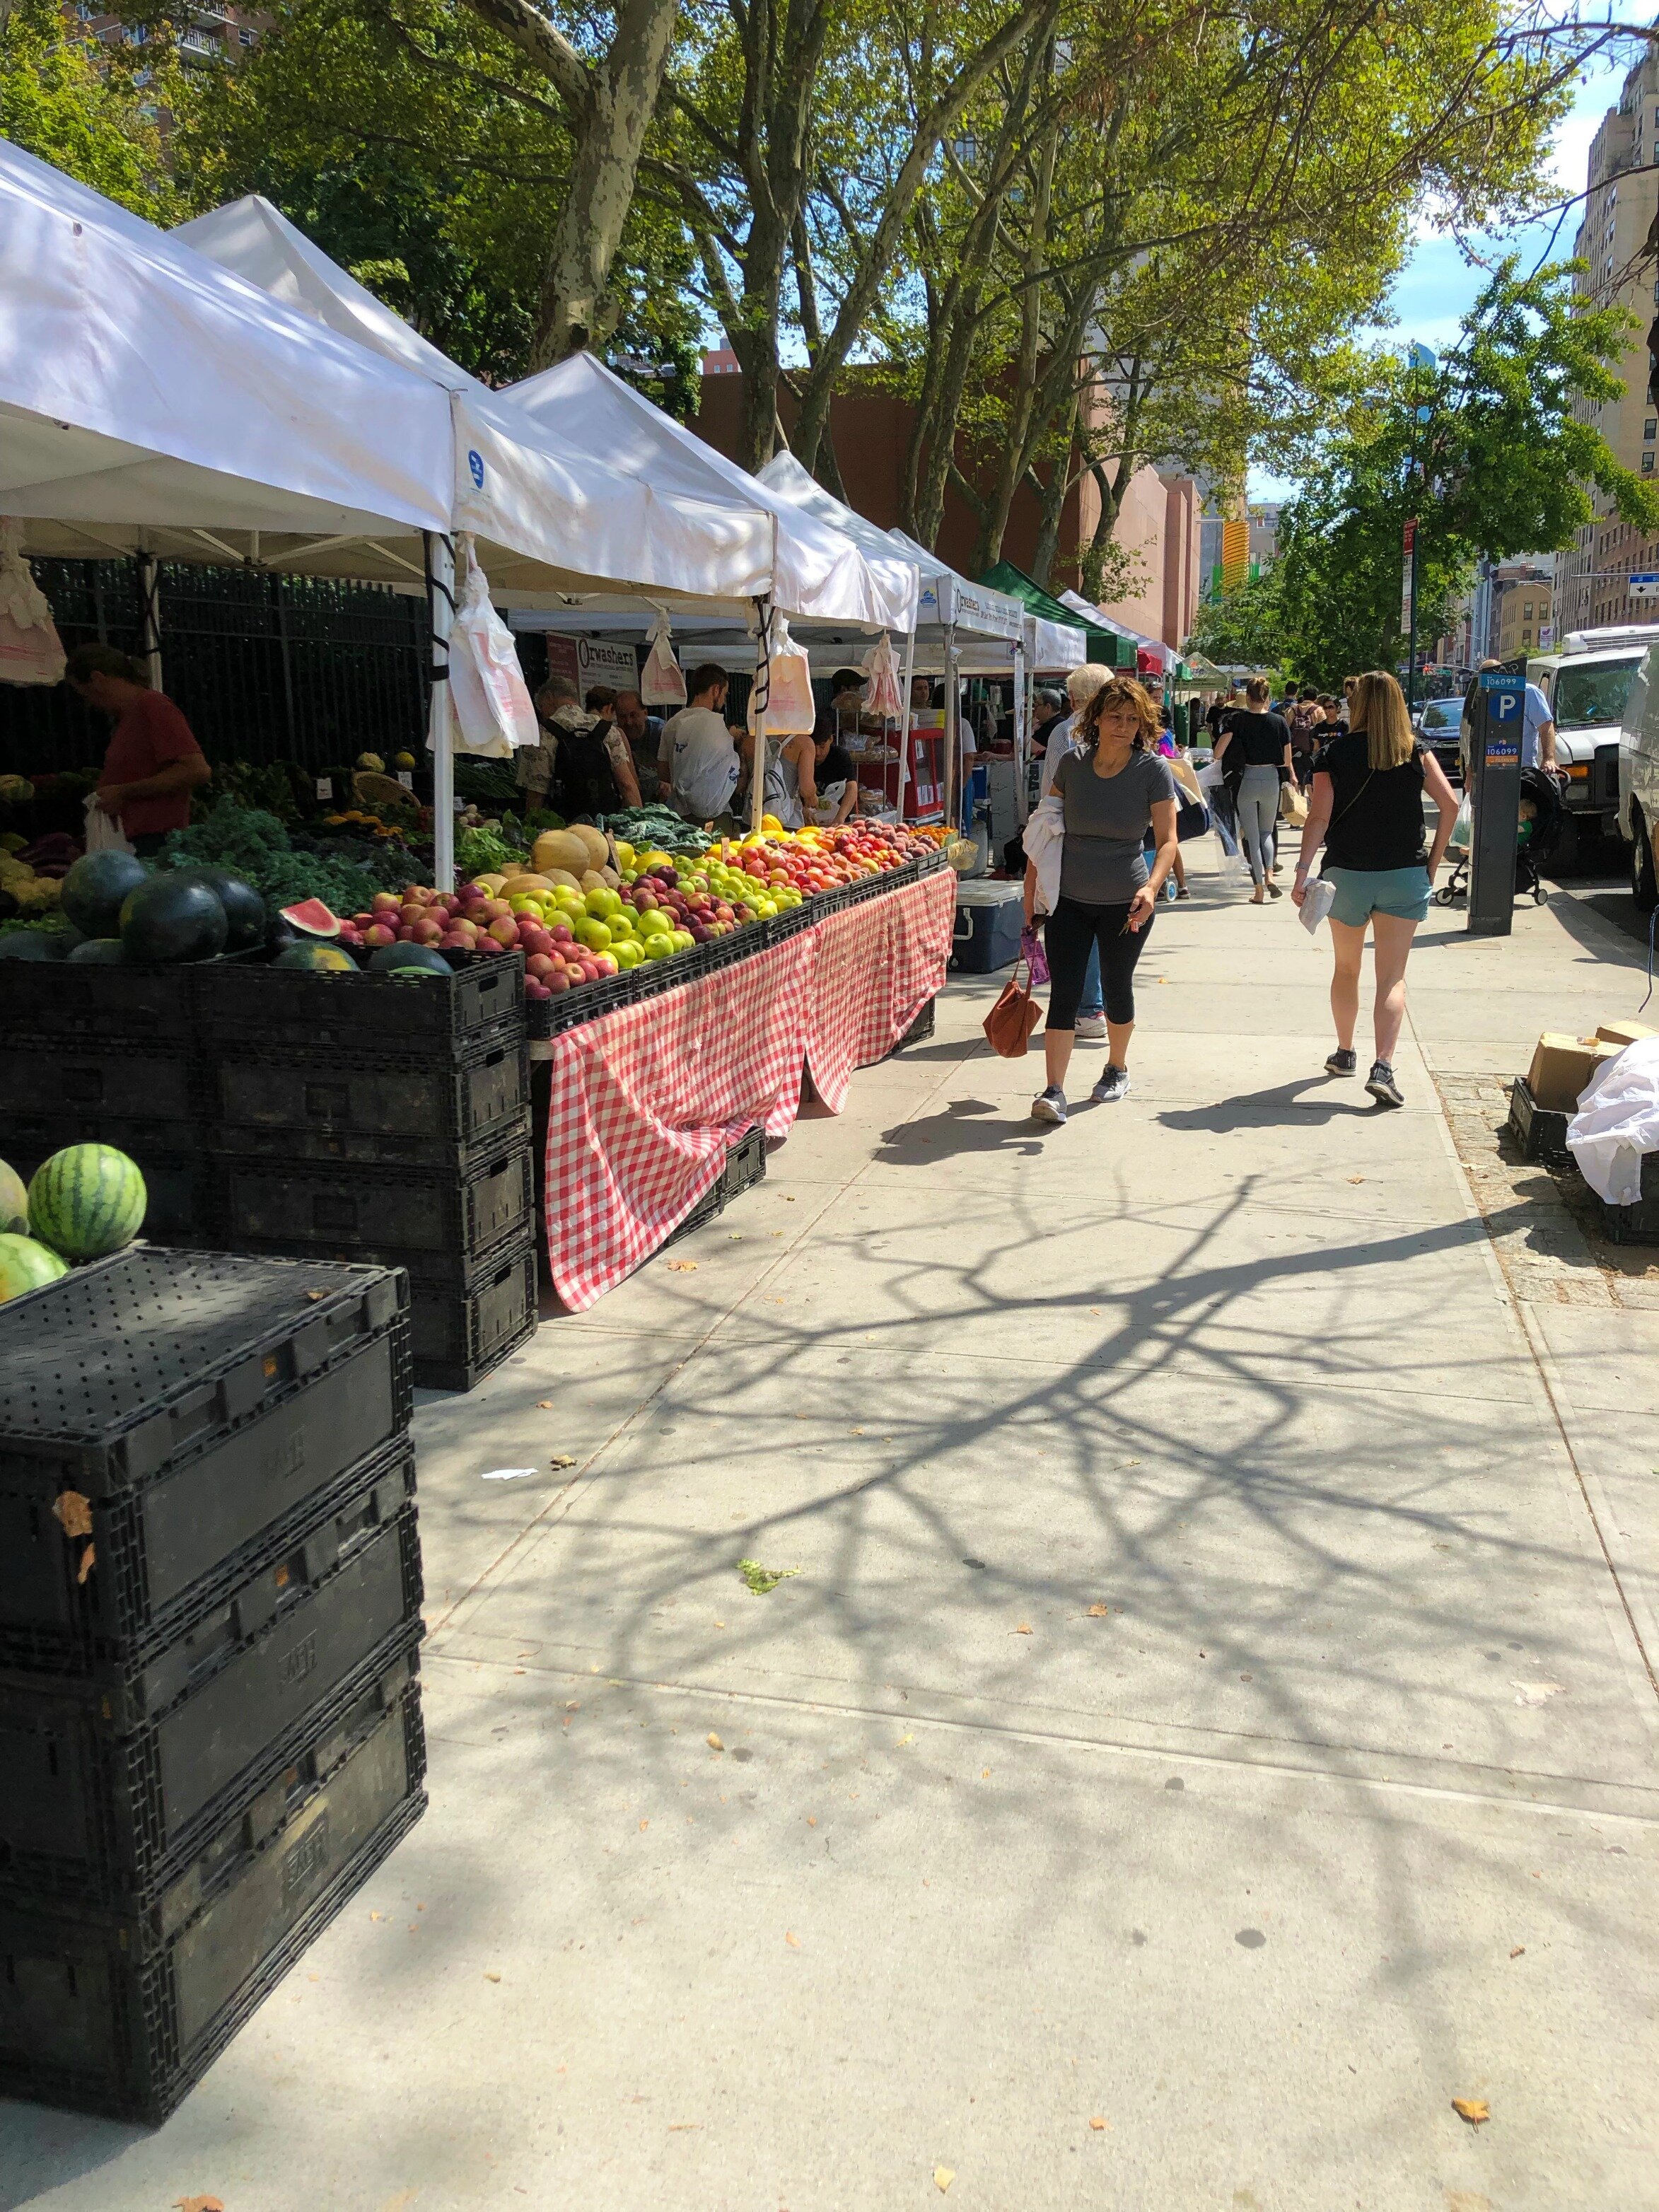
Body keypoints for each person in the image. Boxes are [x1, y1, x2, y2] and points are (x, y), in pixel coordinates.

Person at [1291, 668, 1457, 1108]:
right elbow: (1451, 804)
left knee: (1346, 969)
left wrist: (1303, 871)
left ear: (1359, 705)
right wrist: (1433, 862)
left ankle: (1345, 1052)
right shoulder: (1416, 753)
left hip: (1346, 875)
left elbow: (1318, 818)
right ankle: (1383, 1067)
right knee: (1392, 977)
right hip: (1404, 875)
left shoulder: (1335, 753)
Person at [1024, 675, 1178, 1124]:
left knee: (1115, 987)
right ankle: (1054, 1090)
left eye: (1133, 719)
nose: (1123, 726)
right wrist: (1032, 895)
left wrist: (1151, 887)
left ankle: (1116, 1067)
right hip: (1069, 898)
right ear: (1097, 719)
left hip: (1126, 902)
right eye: (1115, 717)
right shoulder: (1072, 765)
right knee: (1065, 993)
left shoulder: (1152, 770)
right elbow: (1044, 830)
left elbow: (1168, 841)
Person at [66, 644, 213, 858]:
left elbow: (197, 770)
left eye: (86, 694)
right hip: (136, 842)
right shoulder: (129, 717)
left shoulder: (153, 706)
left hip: (155, 843)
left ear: (97, 679)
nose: (90, 703)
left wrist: (124, 792)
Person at [1040, 663, 1114, 1039]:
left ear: (1073, 699)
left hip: (1071, 840)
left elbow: (1050, 796)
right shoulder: (1125, 730)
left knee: (1074, 926)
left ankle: (1086, 1008)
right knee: (1107, 925)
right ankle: (1098, 1006)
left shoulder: (1064, 734)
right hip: (1118, 843)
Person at [1212, 675, 1292, 902]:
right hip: (1271, 780)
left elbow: (1218, 753)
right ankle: (1270, 875)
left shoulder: (1236, 721)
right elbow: (1286, 760)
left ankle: (1258, 890)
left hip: (1247, 779)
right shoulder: (1279, 722)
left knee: (1252, 837)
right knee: (1267, 832)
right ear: (1267, 697)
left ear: (1248, 697)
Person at [518, 673, 641, 817]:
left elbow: (536, 794)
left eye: (541, 706)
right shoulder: (608, 730)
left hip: (564, 831)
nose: (542, 713)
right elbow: (627, 786)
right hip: (606, 826)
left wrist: (530, 828)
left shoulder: (543, 734)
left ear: (549, 698)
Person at [659, 663, 740, 823]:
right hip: (715, 816)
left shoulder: (672, 724)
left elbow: (663, 773)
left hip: (681, 815)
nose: (724, 701)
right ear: (715, 690)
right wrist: (731, 736)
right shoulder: (715, 725)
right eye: (724, 694)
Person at [615, 690, 665, 802]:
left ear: (645, 712)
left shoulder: (662, 732)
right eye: (622, 717)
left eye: (633, 715)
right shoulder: (614, 738)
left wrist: (669, 783)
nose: (628, 722)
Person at [807, 716, 858, 824]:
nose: (818, 753)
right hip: (809, 820)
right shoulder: (803, 757)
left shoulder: (840, 755)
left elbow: (851, 787)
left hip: (839, 818)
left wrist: (840, 817)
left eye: (822, 747)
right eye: (813, 747)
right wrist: (803, 809)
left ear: (831, 739)